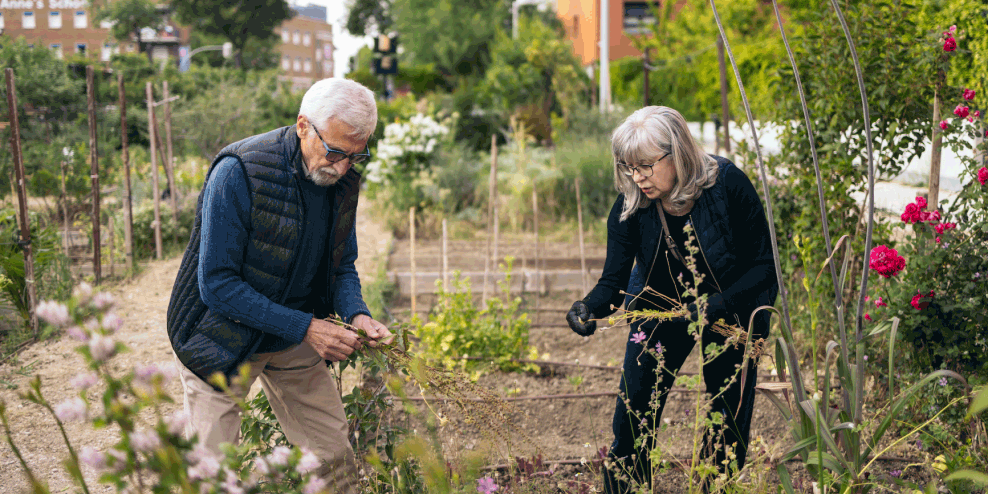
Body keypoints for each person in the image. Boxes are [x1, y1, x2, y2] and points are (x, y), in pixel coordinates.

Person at [166, 78, 391, 493]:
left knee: (332, 459)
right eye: (336, 152)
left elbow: (342, 266)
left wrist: (358, 313)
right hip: (219, 337)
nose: (343, 167)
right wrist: (307, 328)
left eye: (356, 156)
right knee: (212, 476)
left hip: (291, 334)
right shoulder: (239, 173)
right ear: (304, 125)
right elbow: (216, 285)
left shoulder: (340, 182)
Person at [565, 106, 778, 493]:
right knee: (634, 408)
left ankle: (716, 487)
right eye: (629, 166)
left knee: (725, 416)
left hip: (735, 307)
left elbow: (765, 268)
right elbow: (612, 284)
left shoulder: (728, 185)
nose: (638, 176)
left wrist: (714, 306)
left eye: (646, 165)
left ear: (677, 151)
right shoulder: (631, 205)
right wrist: (588, 307)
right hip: (661, 305)